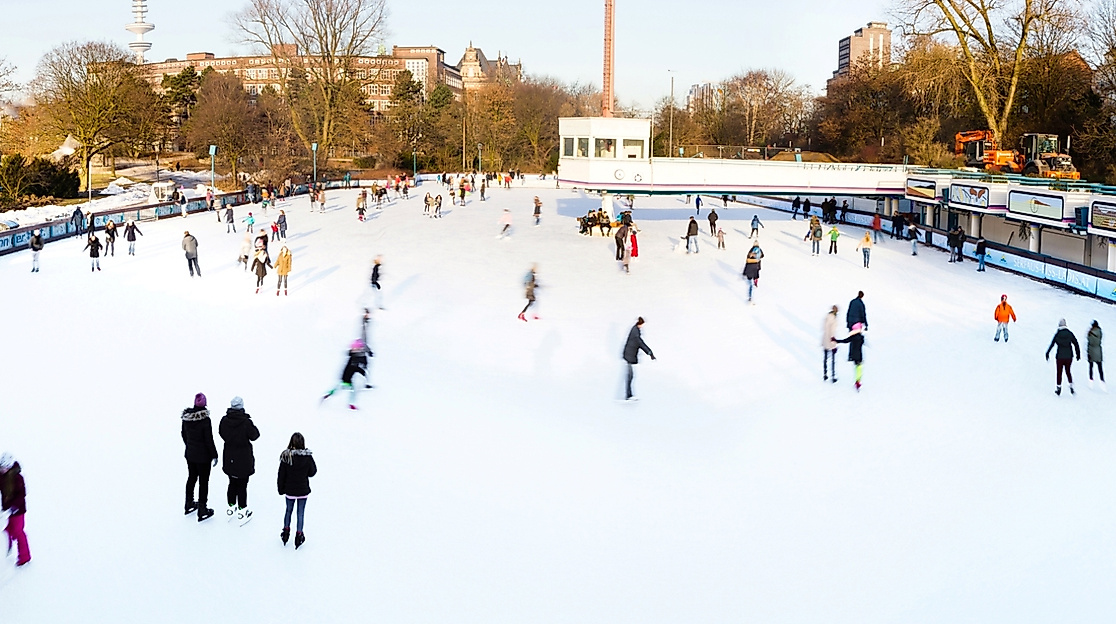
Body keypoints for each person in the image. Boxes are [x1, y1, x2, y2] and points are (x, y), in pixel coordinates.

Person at [220, 397, 259, 524]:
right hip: (243, 458)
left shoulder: (224, 421)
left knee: (232, 483)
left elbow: (222, 433)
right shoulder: (246, 422)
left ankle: (231, 506)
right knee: (242, 485)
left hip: (229, 457)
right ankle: (242, 510)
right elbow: (255, 435)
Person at [182, 393, 218, 522]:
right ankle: (202, 509)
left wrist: (190, 447)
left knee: (191, 478)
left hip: (190, 455)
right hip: (203, 457)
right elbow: (209, 440)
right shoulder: (205, 420)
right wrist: (214, 454)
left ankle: (189, 503)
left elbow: (183, 435)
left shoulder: (186, 419)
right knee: (203, 482)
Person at [278, 433, 317, 550]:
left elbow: (281, 475)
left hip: (290, 491)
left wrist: (281, 489)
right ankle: (299, 535)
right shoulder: (307, 457)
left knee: (288, 511)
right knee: (300, 513)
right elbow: (313, 472)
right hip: (303, 490)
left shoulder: (286, 456)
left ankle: (286, 532)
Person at [0, 452, 31, 567]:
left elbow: (21, 495)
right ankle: (6, 551)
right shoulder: (1, 476)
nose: (2, 470)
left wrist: (14, 507)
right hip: (7, 510)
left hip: (18, 511)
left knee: (18, 532)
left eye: (4, 468)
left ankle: (24, 557)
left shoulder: (18, 478)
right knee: (7, 531)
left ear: (9, 467)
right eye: (1, 467)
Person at [321, 340, 370, 410]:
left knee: (351, 390)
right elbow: (353, 367)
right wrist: (362, 371)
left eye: (358, 348)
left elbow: (361, 364)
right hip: (346, 377)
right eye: (355, 348)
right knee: (340, 387)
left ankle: (351, 404)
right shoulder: (353, 357)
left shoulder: (357, 356)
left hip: (350, 378)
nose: (356, 350)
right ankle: (328, 394)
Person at [622, 317, 656, 401]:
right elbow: (641, 344)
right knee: (630, 376)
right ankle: (628, 395)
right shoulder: (636, 334)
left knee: (630, 376)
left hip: (628, 355)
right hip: (629, 356)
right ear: (640, 324)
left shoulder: (635, 330)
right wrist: (650, 353)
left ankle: (629, 395)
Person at [1046, 319, 1081, 395]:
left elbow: (1052, 344)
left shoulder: (1057, 334)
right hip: (1069, 356)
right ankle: (1071, 386)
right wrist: (1078, 354)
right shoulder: (1070, 333)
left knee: (1059, 372)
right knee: (1068, 371)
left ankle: (1058, 388)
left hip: (1060, 357)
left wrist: (1047, 353)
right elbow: (1076, 343)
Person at [836, 323, 866, 391]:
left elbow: (845, 341)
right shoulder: (861, 337)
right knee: (859, 367)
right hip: (859, 354)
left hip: (854, 354)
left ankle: (857, 381)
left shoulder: (853, 337)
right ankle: (858, 381)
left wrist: (837, 341)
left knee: (857, 367)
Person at [822, 306, 839, 383]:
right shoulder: (834, 320)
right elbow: (832, 332)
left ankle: (825, 374)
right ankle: (833, 376)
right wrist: (833, 344)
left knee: (825, 358)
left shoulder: (827, 317)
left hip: (825, 340)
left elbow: (824, 329)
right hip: (831, 341)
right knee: (832, 360)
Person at [1087, 320, 1105, 389]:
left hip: (1091, 351)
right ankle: (1102, 380)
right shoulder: (1100, 332)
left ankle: (1091, 381)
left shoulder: (1090, 333)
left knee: (1091, 367)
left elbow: (1090, 342)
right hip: (1098, 351)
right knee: (1100, 367)